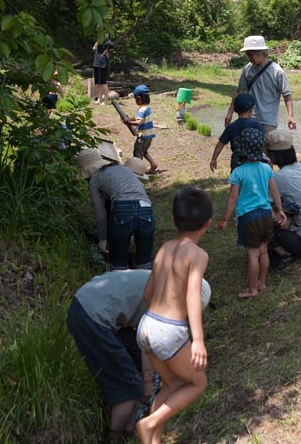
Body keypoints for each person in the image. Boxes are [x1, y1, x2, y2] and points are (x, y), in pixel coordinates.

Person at [66, 270, 212, 441]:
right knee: (130, 388)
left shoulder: (167, 281)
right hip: (91, 316)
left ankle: (130, 430)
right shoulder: (163, 299)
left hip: (91, 304)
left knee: (135, 372)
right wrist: (147, 380)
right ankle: (116, 438)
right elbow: (148, 341)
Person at [135, 186, 214, 444]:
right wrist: (198, 340)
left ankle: (152, 439)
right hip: (168, 330)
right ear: (208, 224)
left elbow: (148, 293)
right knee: (198, 383)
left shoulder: (164, 249)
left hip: (146, 326)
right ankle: (150, 424)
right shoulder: (199, 254)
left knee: (171, 385)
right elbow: (193, 294)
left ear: (173, 220)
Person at [216, 127, 287, 298]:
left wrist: (225, 219)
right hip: (265, 215)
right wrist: (280, 211)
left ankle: (253, 289)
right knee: (263, 251)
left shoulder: (238, 172)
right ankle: (262, 283)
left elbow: (233, 198)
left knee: (252, 254)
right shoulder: (266, 168)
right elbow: (275, 192)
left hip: (249, 218)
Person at [76, 148, 155, 270]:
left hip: (122, 209)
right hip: (146, 209)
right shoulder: (123, 168)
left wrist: (102, 239)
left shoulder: (94, 180)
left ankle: (120, 277)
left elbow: (100, 214)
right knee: (144, 264)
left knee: (118, 266)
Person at [264, 129, 301, 271]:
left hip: (300, 241)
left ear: (273, 156)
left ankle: (284, 253)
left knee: (257, 219)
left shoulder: (278, 178)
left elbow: (263, 204)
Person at [224, 36, 296, 133]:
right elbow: (239, 92)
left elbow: (287, 95)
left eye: (252, 55)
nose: (249, 58)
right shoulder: (247, 70)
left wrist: (290, 116)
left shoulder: (277, 71)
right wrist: (230, 113)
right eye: (247, 55)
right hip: (248, 120)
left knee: (266, 147)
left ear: (261, 53)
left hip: (268, 123)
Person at [210, 92, 264, 172]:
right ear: (251, 110)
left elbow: (220, 144)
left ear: (235, 110)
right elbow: (264, 143)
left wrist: (214, 159)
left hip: (237, 161)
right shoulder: (257, 125)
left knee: (237, 180)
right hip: (255, 160)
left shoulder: (231, 127)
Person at [125, 85, 159, 174]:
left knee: (137, 152)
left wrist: (129, 123)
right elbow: (138, 118)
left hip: (142, 136)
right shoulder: (146, 108)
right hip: (149, 135)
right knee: (144, 151)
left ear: (139, 98)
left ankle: (138, 171)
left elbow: (139, 122)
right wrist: (130, 119)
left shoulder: (141, 110)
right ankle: (153, 164)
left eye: (135, 98)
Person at [93, 34, 113, 105]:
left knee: (103, 83)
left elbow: (110, 46)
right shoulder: (98, 41)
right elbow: (94, 48)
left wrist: (105, 52)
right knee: (98, 83)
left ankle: (106, 101)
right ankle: (99, 99)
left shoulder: (107, 41)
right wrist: (97, 43)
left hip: (103, 64)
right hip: (96, 63)